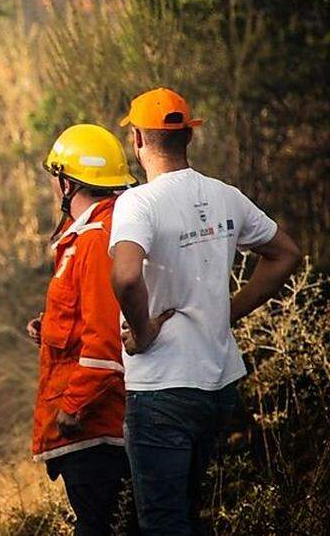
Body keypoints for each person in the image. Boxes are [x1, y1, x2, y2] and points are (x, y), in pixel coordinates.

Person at [109, 88, 301, 535]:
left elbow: (124, 276)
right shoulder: (225, 196)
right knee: (189, 515)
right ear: (188, 138)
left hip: (162, 389)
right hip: (218, 385)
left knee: (162, 523)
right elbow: (286, 254)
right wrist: (227, 313)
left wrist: (143, 331)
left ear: (137, 139)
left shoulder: (138, 203)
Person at [28, 124, 138, 536]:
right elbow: (88, 317)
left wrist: (72, 407)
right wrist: (50, 327)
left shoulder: (95, 240)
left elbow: (106, 341)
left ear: (68, 182)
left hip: (96, 426)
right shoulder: (93, 234)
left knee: (100, 526)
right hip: (98, 426)